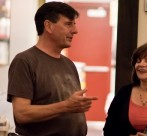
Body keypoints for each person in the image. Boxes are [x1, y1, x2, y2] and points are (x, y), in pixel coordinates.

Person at [7, 2, 97, 136]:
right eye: (68, 24)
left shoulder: (69, 64)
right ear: (48, 26)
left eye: (74, 24)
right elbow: (21, 113)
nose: (75, 30)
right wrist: (66, 106)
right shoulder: (24, 61)